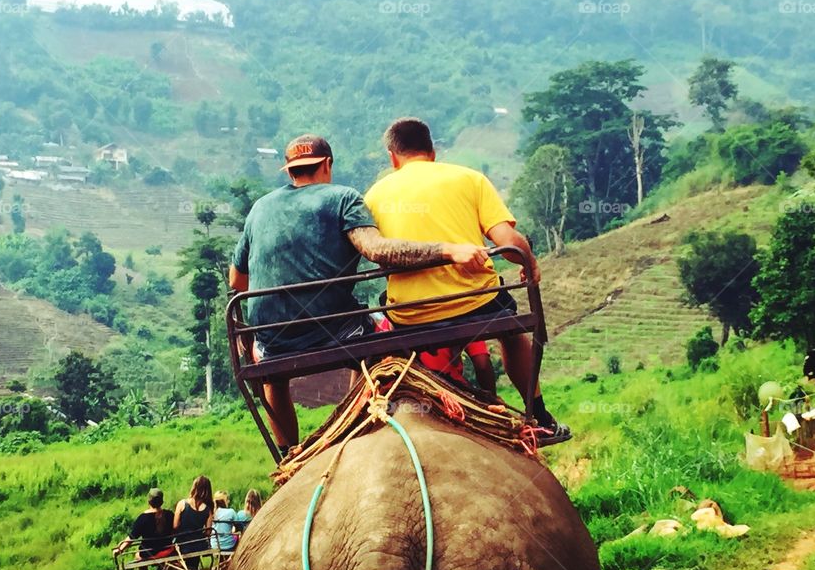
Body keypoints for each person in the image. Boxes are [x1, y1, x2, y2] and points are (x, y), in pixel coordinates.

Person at [229, 134, 489, 455]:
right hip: (336, 331)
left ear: (289, 171)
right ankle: (352, 421)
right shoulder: (342, 198)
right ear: (327, 164)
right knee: (380, 334)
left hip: (272, 341)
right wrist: (448, 250)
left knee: (274, 378)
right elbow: (377, 250)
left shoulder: (260, 208)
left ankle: (286, 452)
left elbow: (237, 280)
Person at [364, 117, 570, 443]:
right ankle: (539, 414)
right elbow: (509, 241)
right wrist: (529, 265)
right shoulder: (469, 178)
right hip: (477, 304)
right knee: (513, 334)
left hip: (411, 314)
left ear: (393, 157)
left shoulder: (374, 195)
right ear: (433, 151)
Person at [112, 488, 173, 570]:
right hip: (167, 550)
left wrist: (120, 549)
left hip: (149, 553)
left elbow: (132, 538)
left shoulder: (143, 518)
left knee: (138, 555)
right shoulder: (169, 514)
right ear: (162, 501)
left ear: (149, 501)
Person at [173, 475, 214, 570]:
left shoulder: (182, 504)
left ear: (194, 487)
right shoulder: (208, 509)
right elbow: (208, 532)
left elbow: (175, 526)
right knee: (193, 564)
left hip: (183, 544)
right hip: (199, 545)